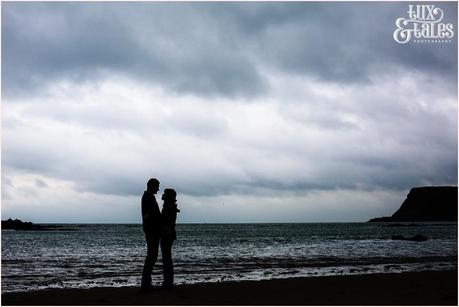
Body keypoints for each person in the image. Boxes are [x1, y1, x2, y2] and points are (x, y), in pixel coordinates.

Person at [140, 178, 162, 291]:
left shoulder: (148, 197)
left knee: (151, 256)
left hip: (151, 231)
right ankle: (146, 283)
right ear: (151, 186)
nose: (158, 189)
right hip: (152, 231)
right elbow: (151, 216)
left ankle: (146, 282)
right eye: (157, 187)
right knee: (151, 256)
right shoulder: (148, 197)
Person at [160, 188, 180, 289]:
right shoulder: (169, 206)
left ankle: (168, 282)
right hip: (168, 234)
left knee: (167, 259)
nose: (162, 195)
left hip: (167, 234)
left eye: (164, 194)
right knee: (167, 259)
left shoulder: (169, 207)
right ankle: (168, 281)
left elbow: (167, 221)